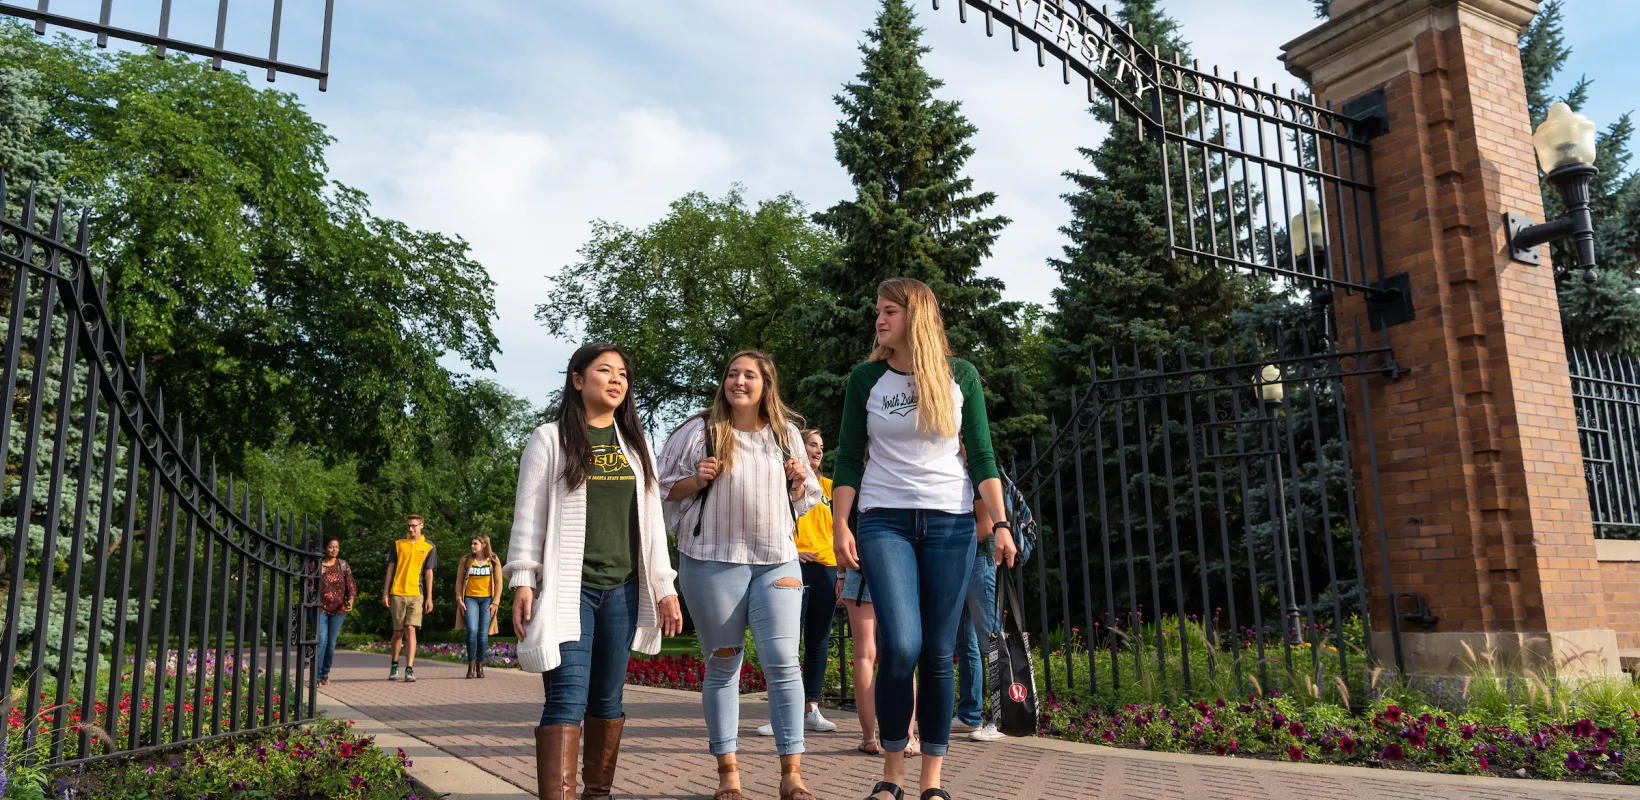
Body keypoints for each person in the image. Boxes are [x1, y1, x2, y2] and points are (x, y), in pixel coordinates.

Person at [832, 278, 1018, 800]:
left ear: (916, 317)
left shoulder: (961, 377)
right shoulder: (865, 379)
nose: (879, 320)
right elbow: (848, 458)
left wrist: (1000, 522)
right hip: (883, 521)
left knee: (938, 653)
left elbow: (982, 456)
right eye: (878, 311)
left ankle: (931, 782)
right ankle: (891, 773)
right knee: (901, 645)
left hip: (951, 524)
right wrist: (839, 524)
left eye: (890, 311)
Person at [505, 342, 683, 800]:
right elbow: (529, 514)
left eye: (623, 373)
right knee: (566, 699)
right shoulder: (550, 438)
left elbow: (652, 525)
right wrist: (523, 579)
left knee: (608, 702)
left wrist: (664, 587)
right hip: (570, 592)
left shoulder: (636, 447)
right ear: (578, 380)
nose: (616, 380)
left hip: (623, 593)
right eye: (605, 371)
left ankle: (598, 793)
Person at [660, 351, 824, 800]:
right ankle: (728, 773)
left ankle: (792, 773)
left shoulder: (786, 434)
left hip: (777, 561)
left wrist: (796, 479)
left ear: (765, 384)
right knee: (724, 666)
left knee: (784, 664)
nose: (739, 381)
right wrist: (696, 479)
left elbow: (808, 495)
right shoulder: (699, 431)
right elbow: (659, 490)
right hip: (714, 560)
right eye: (733, 374)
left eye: (749, 375)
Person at [758, 429, 838, 739]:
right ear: (797, 448)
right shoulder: (784, 486)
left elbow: (840, 531)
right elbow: (771, 522)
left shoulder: (830, 488)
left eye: (821, 446)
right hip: (794, 566)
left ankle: (812, 710)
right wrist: (793, 550)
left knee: (819, 641)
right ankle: (780, 714)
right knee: (787, 641)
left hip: (827, 570)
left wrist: (841, 573)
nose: (818, 451)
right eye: (812, 445)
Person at [951, 499, 1003, 743]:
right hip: (963, 564)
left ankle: (1004, 719)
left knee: (991, 642)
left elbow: (987, 524)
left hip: (978, 562)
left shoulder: (975, 475)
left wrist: (949, 547)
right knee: (965, 643)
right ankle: (970, 716)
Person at [384, 514, 437, 683]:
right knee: (398, 632)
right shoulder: (398, 544)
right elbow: (390, 568)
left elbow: (429, 573)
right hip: (398, 592)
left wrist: (429, 597)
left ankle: (409, 669)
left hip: (417, 593)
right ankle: (394, 664)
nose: (411, 529)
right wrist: (385, 592)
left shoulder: (429, 547)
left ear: (422, 525)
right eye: (408, 526)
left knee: (411, 629)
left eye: (414, 525)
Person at [455, 535, 505, 679]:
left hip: (487, 601)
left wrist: (495, 602)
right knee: (472, 630)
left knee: (483, 634)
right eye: (471, 544)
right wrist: (459, 599)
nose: (472, 546)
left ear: (484, 545)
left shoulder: (494, 560)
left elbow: (499, 583)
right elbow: (459, 581)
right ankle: (470, 666)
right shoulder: (466, 560)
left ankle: (480, 666)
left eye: (475, 544)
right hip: (470, 599)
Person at [315, 535, 355, 687]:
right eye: (331, 547)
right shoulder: (316, 565)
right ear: (325, 548)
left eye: (336, 547)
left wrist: (350, 600)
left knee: (331, 644)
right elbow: (309, 584)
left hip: (339, 610)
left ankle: (325, 673)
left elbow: (350, 585)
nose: (334, 550)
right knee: (322, 641)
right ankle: (317, 676)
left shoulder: (343, 565)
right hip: (320, 608)